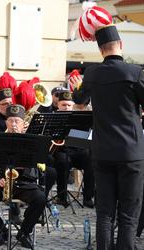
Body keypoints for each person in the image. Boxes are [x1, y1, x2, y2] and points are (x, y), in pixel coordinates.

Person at [72, 5, 144, 249]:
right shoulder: (135, 72)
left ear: (100, 49)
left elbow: (79, 101)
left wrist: (76, 87)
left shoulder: (91, 74)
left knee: (104, 215)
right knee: (128, 216)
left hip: (102, 151)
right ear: (120, 44)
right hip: (131, 153)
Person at [0, 104, 46, 248]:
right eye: (11, 121)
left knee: (40, 198)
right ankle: (1, 231)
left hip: (24, 184)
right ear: (6, 122)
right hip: (2, 184)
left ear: (23, 123)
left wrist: (24, 167)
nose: (14, 124)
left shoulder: (32, 141)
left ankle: (24, 232)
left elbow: (40, 170)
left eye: (17, 121)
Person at [52, 91, 94, 208]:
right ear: (58, 105)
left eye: (69, 105)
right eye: (64, 105)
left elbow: (86, 135)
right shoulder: (52, 117)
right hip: (61, 150)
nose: (66, 108)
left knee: (91, 160)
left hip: (78, 150)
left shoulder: (80, 118)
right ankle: (61, 196)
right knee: (61, 161)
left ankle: (88, 197)